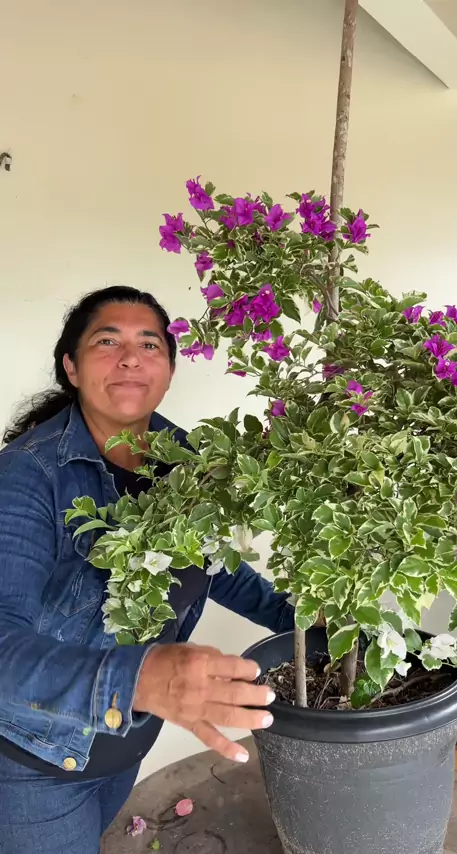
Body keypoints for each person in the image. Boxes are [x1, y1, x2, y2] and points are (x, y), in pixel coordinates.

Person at [0, 286, 295, 854]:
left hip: (122, 746)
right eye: (107, 342)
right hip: (34, 766)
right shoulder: (27, 477)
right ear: (72, 367)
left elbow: (212, 564)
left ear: (169, 369)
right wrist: (136, 679)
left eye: (149, 344)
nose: (130, 358)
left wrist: (298, 619)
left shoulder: (180, 456)